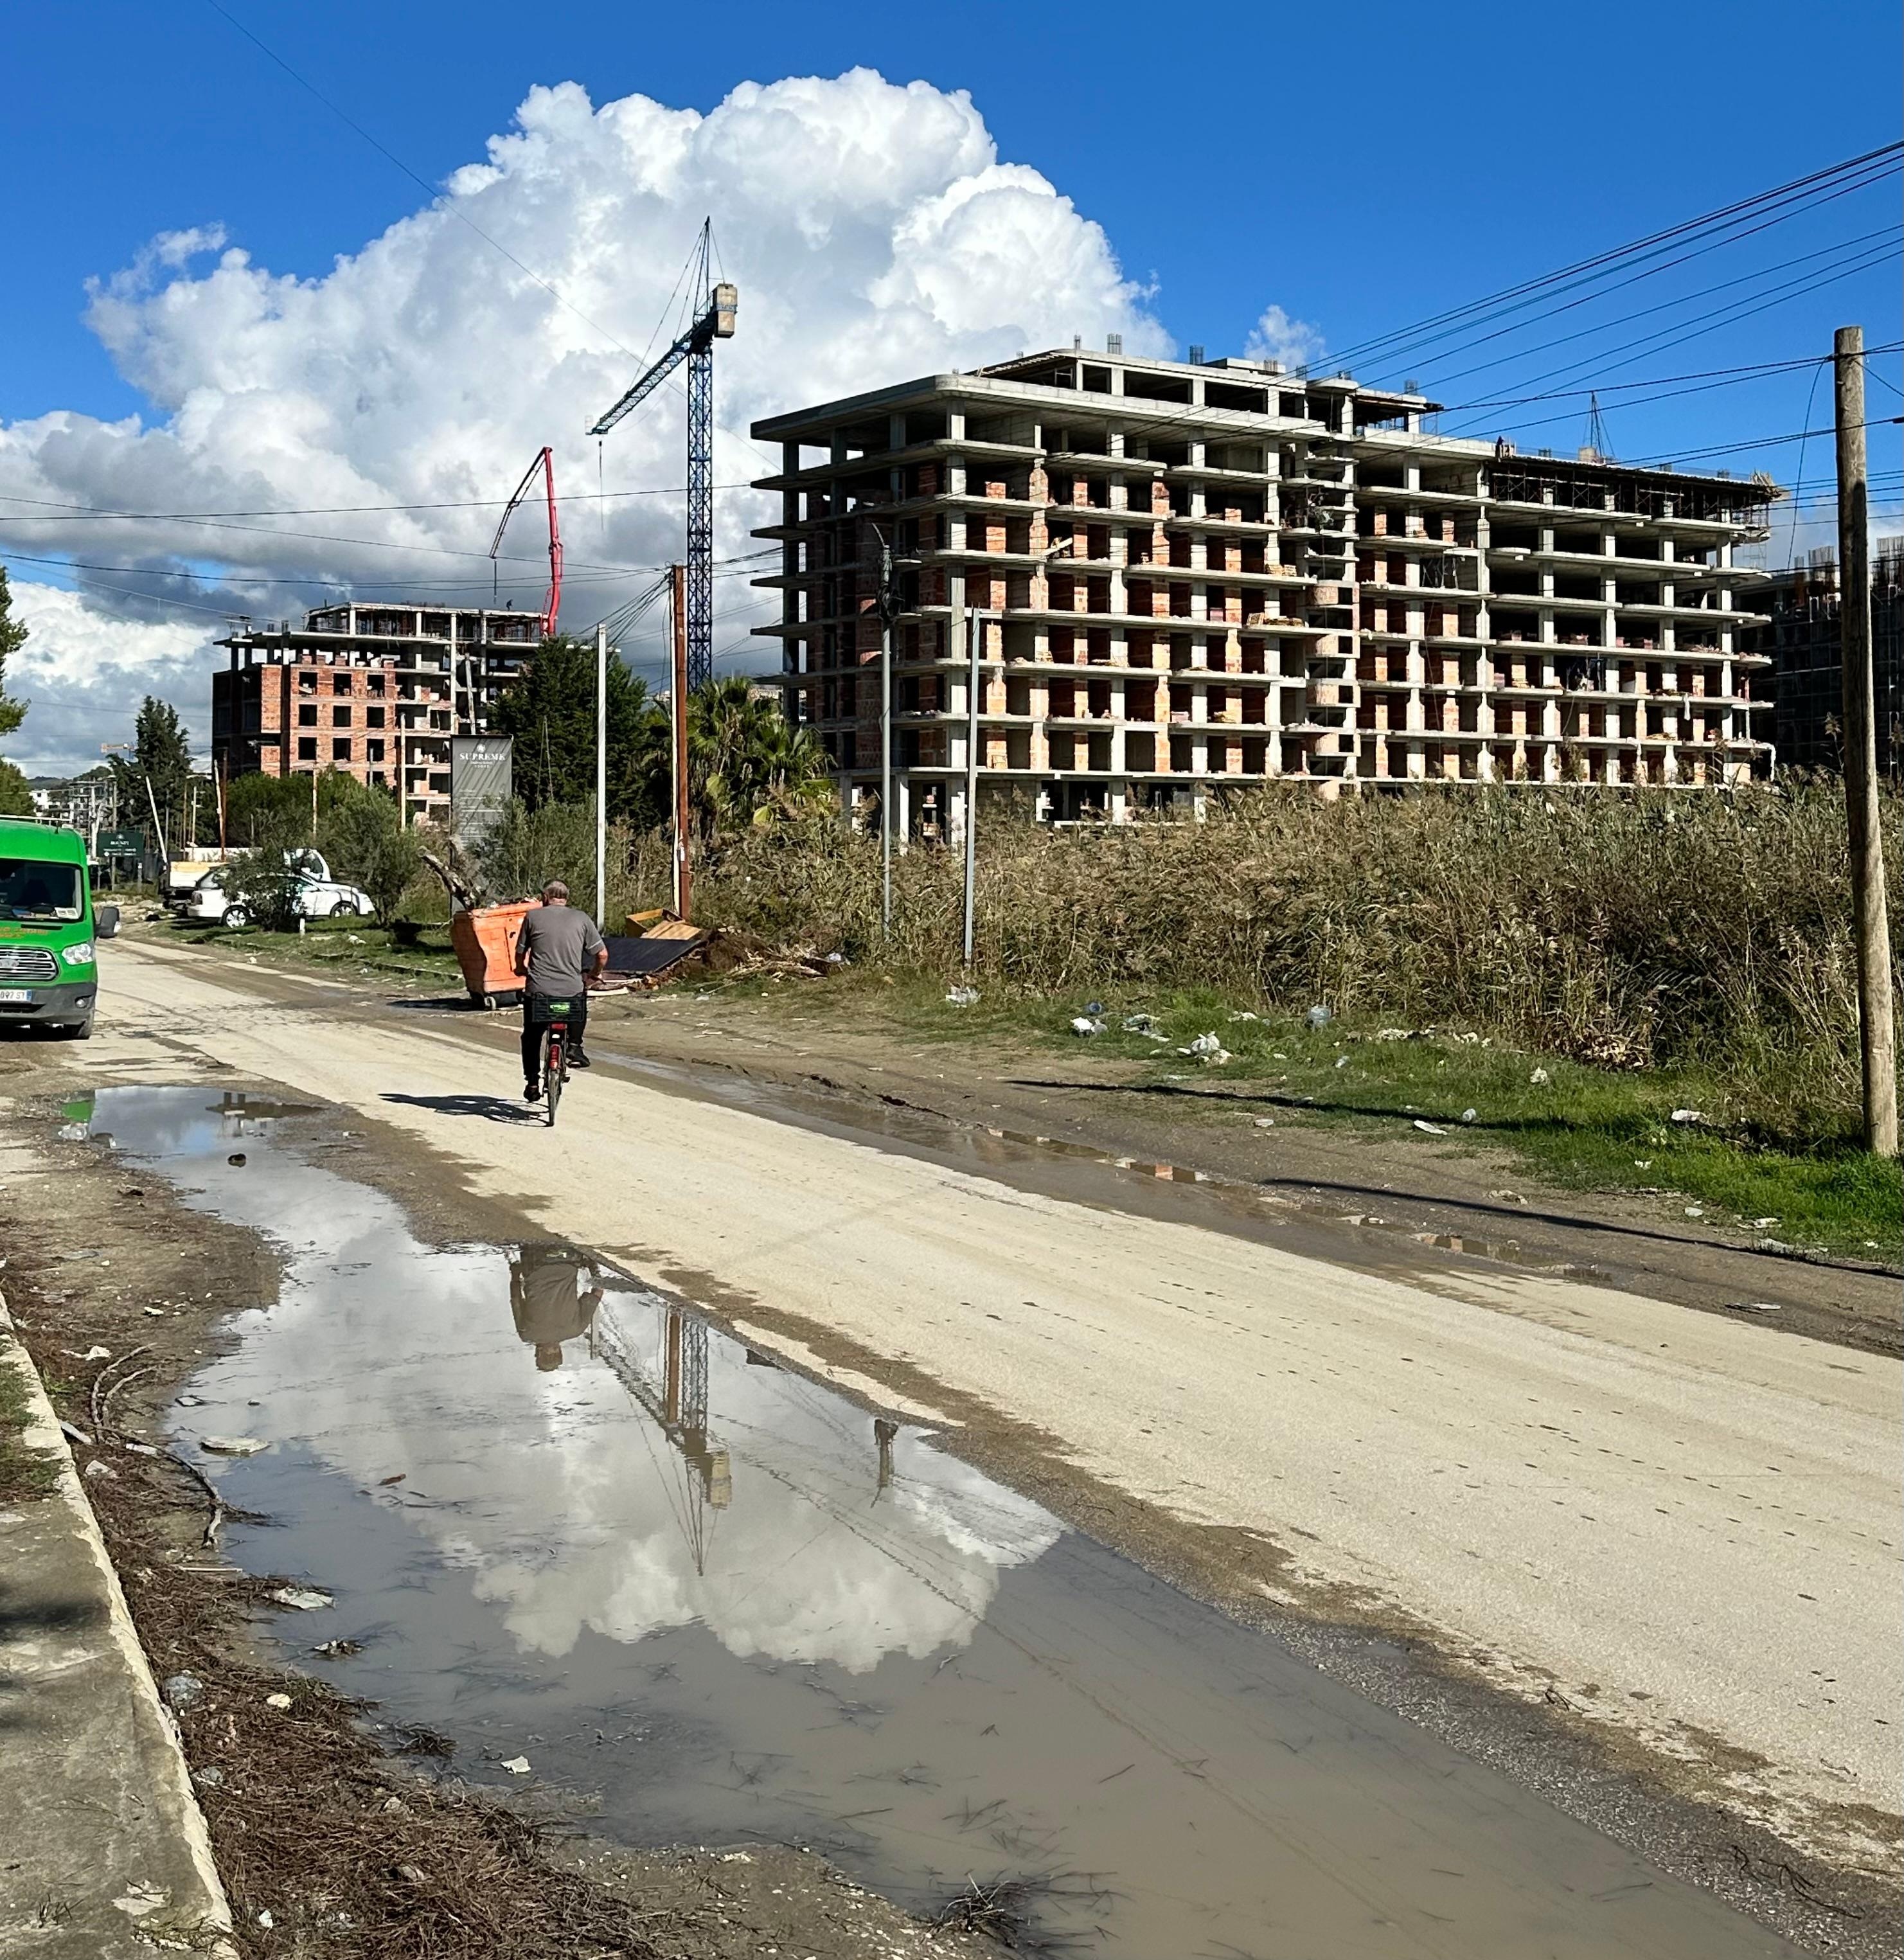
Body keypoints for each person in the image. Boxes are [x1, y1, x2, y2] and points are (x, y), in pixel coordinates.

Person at [513, 879, 607, 1101]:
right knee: (577, 1003)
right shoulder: (582, 919)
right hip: (570, 991)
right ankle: (574, 1047)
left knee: (532, 1036)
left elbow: (520, 954)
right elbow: (602, 955)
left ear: (545, 897)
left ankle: (533, 1082)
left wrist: (520, 969)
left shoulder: (532, 917)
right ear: (566, 898)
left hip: (539, 992)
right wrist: (593, 975)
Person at [508, 1243, 603, 1371]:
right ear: (539, 1353)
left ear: (560, 1351)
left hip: (570, 1257)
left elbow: (598, 1291)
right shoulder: (527, 1334)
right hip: (534, 1259)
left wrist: (591, 1264)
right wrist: (515, 1273)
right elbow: (516, 1298)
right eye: (537, 1355)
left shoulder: (576, 1330)